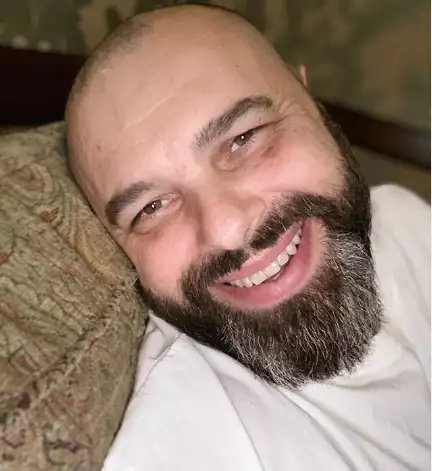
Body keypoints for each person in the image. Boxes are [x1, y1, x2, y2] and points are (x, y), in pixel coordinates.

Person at [66, 4, 430, 471]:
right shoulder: (192, 433)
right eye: (151, 207)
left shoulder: (402, 215)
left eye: (244, 138)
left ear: (309, 98)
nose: (225, 228)